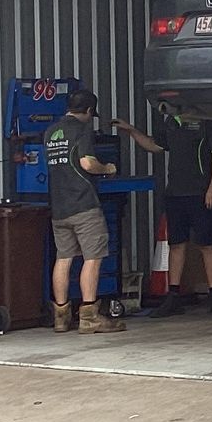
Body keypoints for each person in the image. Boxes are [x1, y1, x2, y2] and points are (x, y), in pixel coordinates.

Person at [134, 104, 212, 318]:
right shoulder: (170, 122)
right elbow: (155, 146)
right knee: (176, 244)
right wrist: (131, 131)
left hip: (201, 192)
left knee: (207, 244)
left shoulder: (208, 120)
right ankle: (173, 296)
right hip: (175, 193)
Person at [45, 89, 129, 334]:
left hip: (59, 207)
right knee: (93, 258)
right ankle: (89, 315)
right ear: (89, 111)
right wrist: (108, 168)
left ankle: (61, 316)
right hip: (83, 205)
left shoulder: (51, 132)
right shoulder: (82, 130)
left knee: (63, 258)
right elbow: (87, 163)